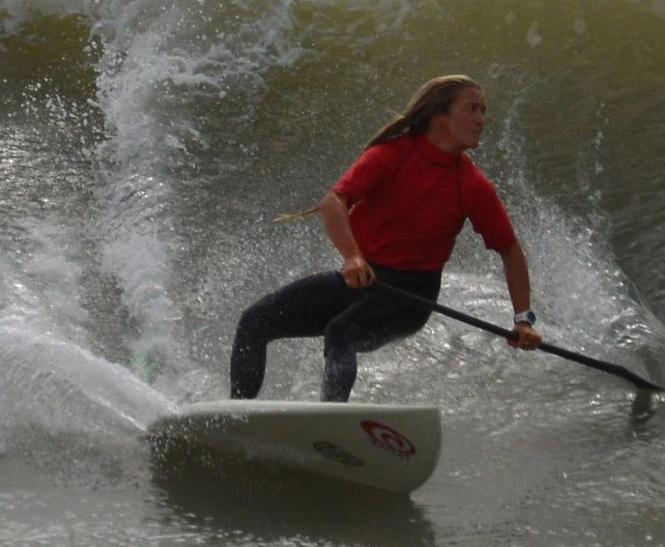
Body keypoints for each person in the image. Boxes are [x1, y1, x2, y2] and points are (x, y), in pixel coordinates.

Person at [229, 75, 543, 402]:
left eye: (483, 110)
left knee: (341, 332)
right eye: (471, 109)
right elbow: (333, 202)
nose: (481, 119)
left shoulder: (472, 185)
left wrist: (523, 319)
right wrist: (352, 257)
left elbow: (509, 250)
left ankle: (330, 423)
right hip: (364, 278)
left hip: (411, 296)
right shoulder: (392, 155)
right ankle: (237, 419)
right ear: (440, 116)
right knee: (255, 320)